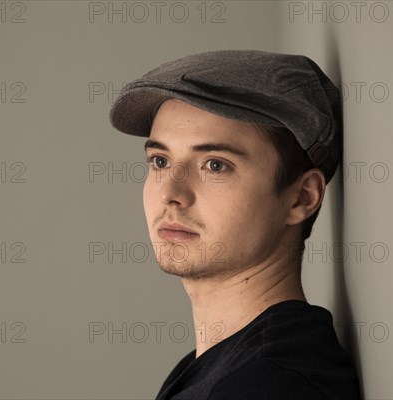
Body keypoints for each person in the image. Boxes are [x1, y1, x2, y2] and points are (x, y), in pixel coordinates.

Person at [109, 50, 361, 400]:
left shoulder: (266, 384)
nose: (171, 193)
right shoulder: (218, 366)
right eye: (161, 161)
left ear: (302, 197)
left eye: (215, 165)